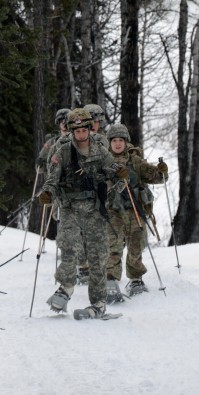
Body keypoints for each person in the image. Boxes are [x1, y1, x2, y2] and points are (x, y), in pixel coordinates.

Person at [38, 108, 127, 319]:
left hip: (94, 210)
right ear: (71, 131)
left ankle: (98, 303)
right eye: (76, 130)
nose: (80, 134)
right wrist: (48, 192)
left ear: (89, 128)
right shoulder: (63, 152)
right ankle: (65, 288)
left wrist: (118, 176)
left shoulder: (100, 150)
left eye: (83, 129)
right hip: (70, 210)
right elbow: (52, 177)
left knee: (97, 257)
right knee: (69, 249)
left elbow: (112, 169)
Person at [104, 122, 168, 301]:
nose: (117, 144)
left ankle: (135, 279)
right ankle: (110, 280)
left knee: (136, 243)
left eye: (121, 140)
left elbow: (153, 176)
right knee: (113, 245)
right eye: (114, 140)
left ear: (126, 142)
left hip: (134, 210)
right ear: (109, 142)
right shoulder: (104, 160)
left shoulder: (135, 161)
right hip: (112, 211)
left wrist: (161, 172)